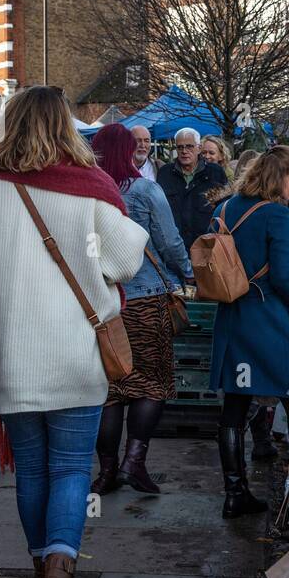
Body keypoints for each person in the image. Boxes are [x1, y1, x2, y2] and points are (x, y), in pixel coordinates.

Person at [0, 86, 148, 578]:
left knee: (31, 468)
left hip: (9, 357)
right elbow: (128, 261)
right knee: (72, 468)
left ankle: (41, 570)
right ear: (64, 128)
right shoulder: (91, 188)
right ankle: (60, 574)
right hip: (74, 353)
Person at [208, 146, 289, 518]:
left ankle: (235, 492)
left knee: (235, 405)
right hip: (267, 318)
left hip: (232, 317)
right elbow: (282, 273)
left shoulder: (224, 208)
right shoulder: (277, 214)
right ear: (281, 179)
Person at [90, 124, 193, 495]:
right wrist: (189, 273)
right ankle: (134, 463)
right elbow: (168, 240)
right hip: (147, 299)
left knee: (111, 388)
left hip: (102, 305)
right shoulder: (147, 190)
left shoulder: (87, 193)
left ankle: (106, 472)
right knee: (151, 383)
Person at [158, 126, 229, 252]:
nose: (184, 151)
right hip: (174, 248)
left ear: (199, 148)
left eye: (189, 146)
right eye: (180, 147)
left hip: (207, 247)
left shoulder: (214, 172)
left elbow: (224, 210)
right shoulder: (165, 173)